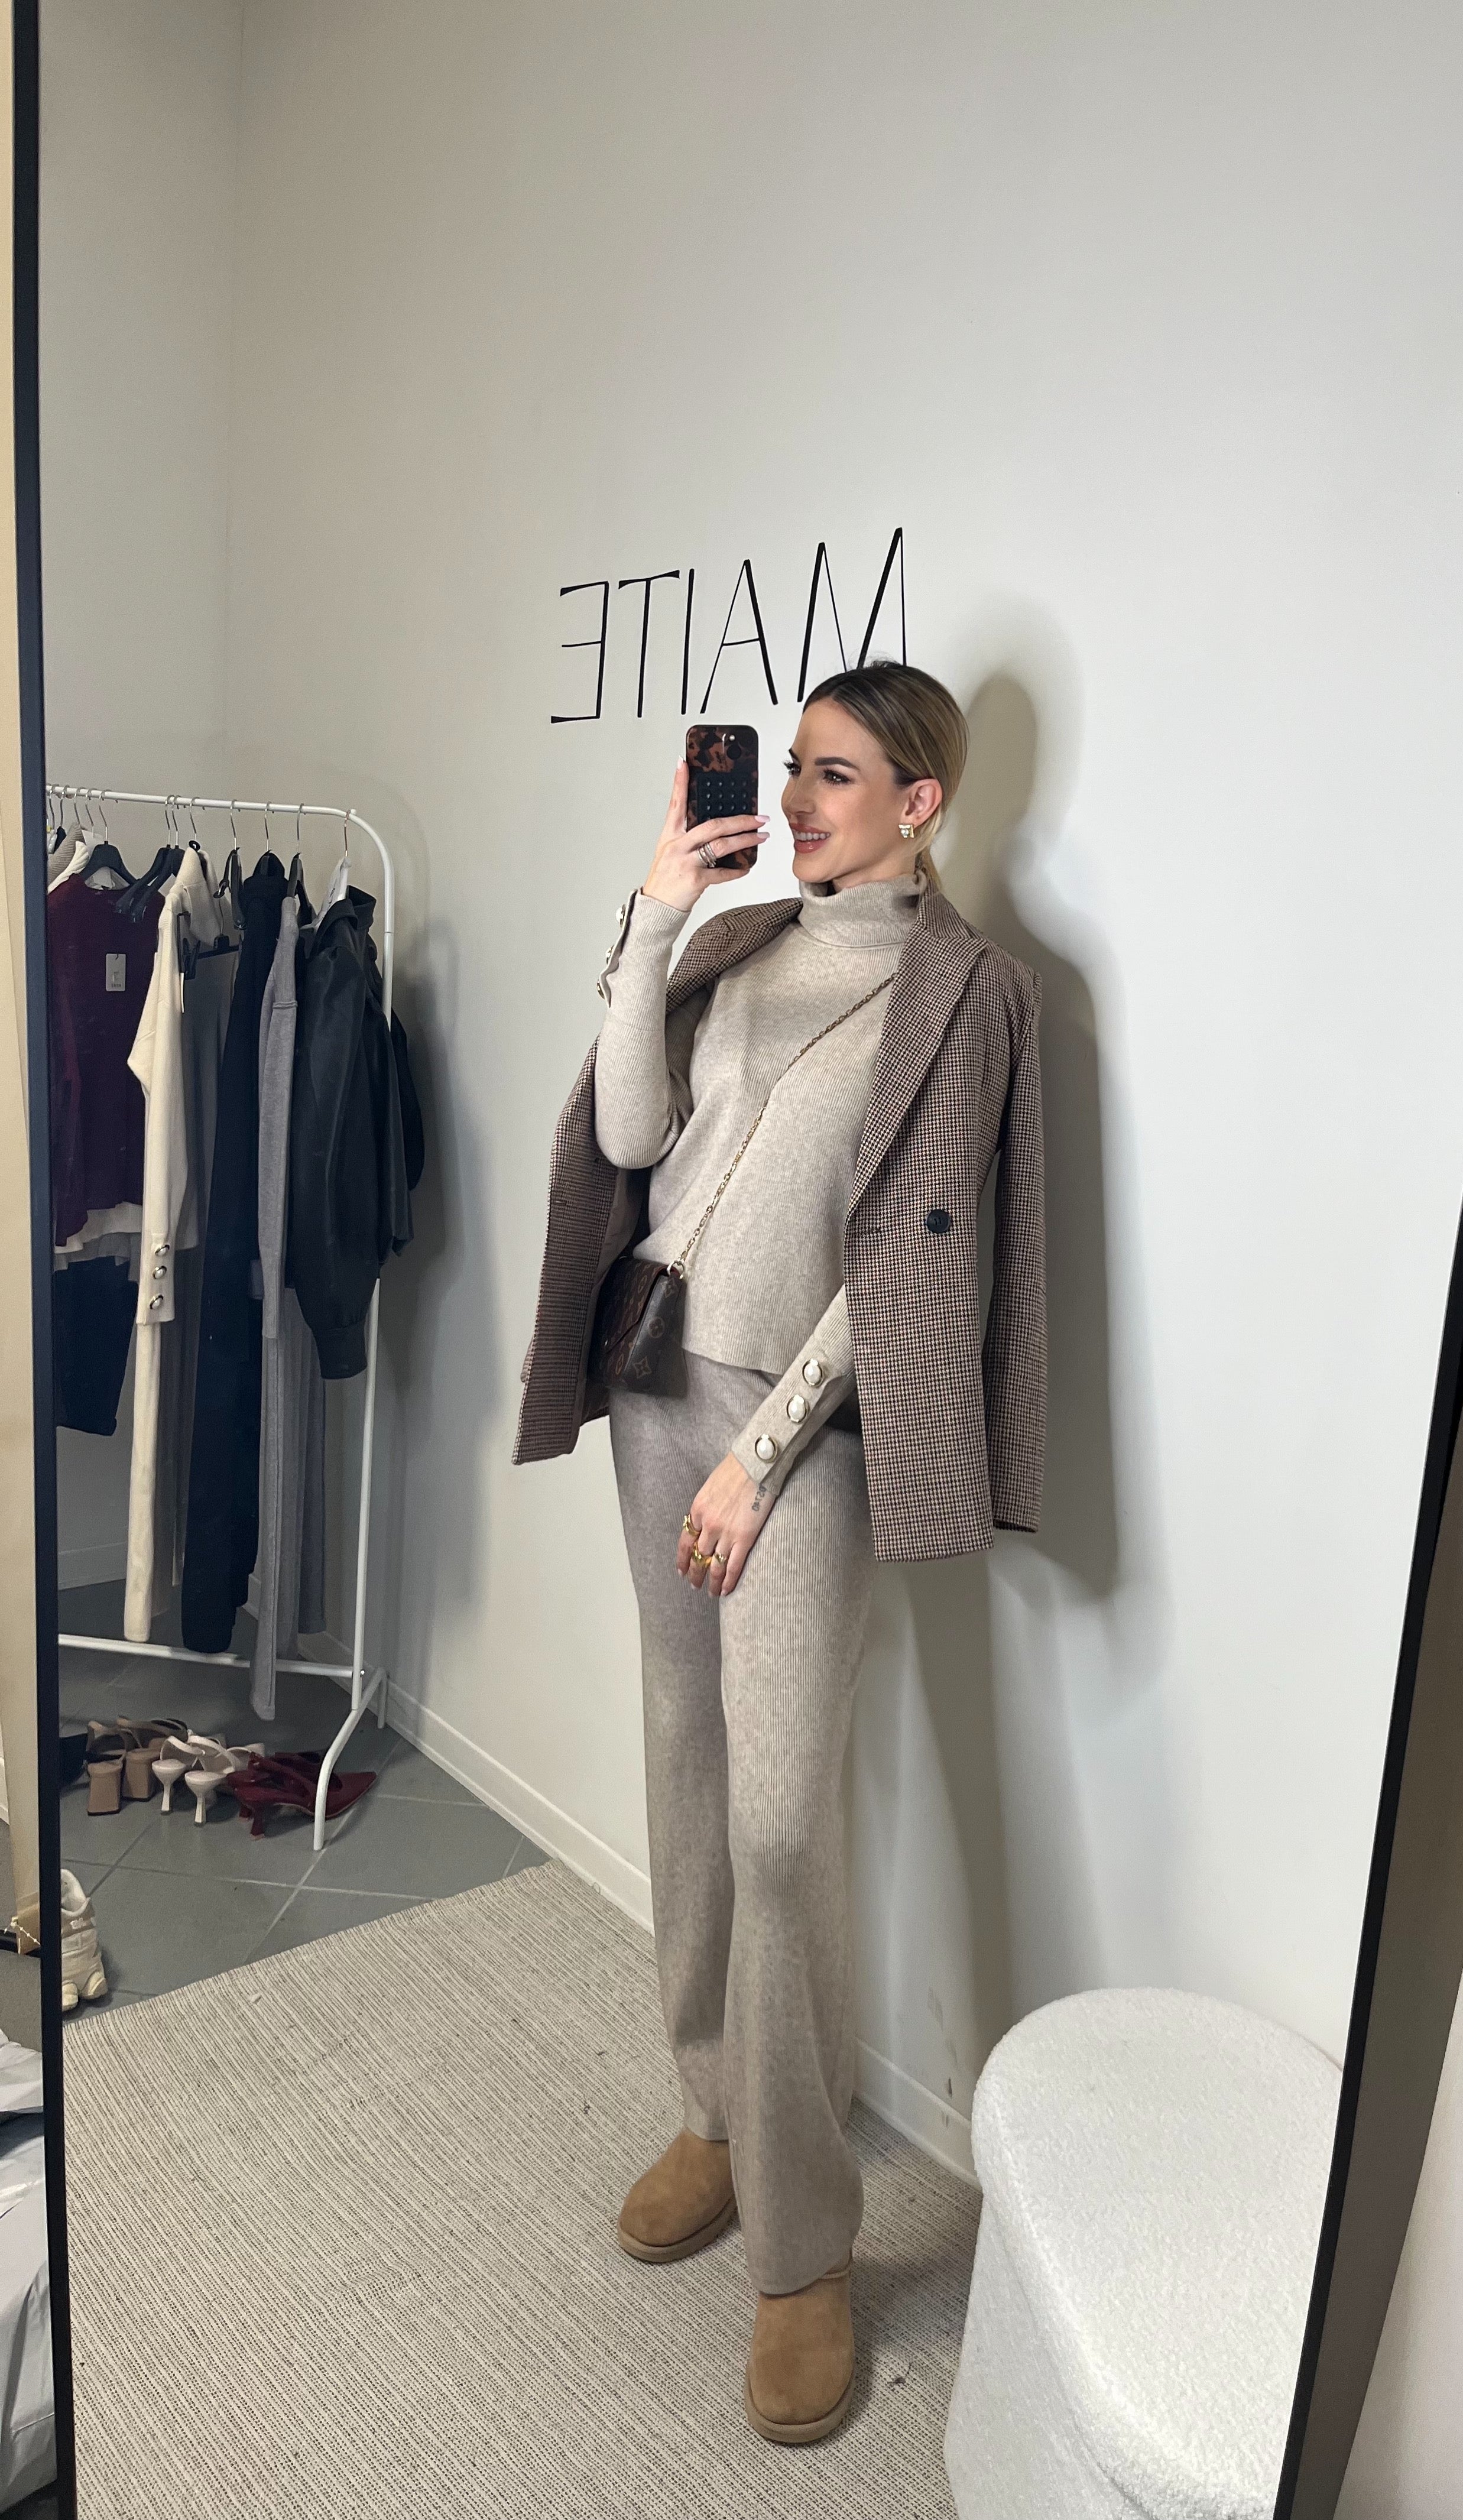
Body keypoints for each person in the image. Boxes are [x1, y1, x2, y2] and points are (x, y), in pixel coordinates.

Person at [514, 660, 1046, 2441]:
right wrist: (657, 915)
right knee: (685, 1766)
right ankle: (715, 2111)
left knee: (782, 1823)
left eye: (835, 774)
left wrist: (762, 1458)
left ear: (921, 800)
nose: (799, 802)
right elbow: (630, 1137)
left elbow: (918, 1259)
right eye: (792, 768)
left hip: (796, 1436)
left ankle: (807, 2250)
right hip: (652, 1377)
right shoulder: (738, 944)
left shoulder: (967, 993)